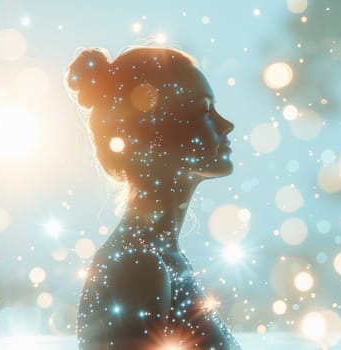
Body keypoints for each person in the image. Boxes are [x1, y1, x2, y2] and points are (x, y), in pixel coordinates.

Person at [66, 46, 241, 350]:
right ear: (154, 128)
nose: (226, 125)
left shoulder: (153, 258)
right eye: (204, 110)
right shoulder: (139, 266)